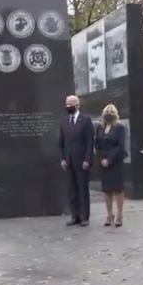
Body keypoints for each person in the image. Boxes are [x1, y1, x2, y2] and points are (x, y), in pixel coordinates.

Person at [59, 95, 95, 227]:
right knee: (72, 190)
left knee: (83, 189)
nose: (68, 107)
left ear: (78, 105)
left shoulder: (85, 120)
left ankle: (85, 216)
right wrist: (62, 158)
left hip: (82, 161)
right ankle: (75, 216)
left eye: (71, 104)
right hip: (69, 161)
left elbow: (90, 141)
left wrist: (88, 159)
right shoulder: (64, 121)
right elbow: (61, 142)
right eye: (66, 104)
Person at [95, 104, 127, 227]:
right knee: (107, 189)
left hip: (115, 162)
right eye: (107, 111)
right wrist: (102, 158)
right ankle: (109, 215)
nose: (109, 113)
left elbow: (120, 146)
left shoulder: (120, 128)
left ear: (115, 114)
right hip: (103, 163)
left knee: (118, 189)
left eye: (111, 111)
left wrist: (109, 159)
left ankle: (119, 216)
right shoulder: (100, 128)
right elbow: (97, 145)